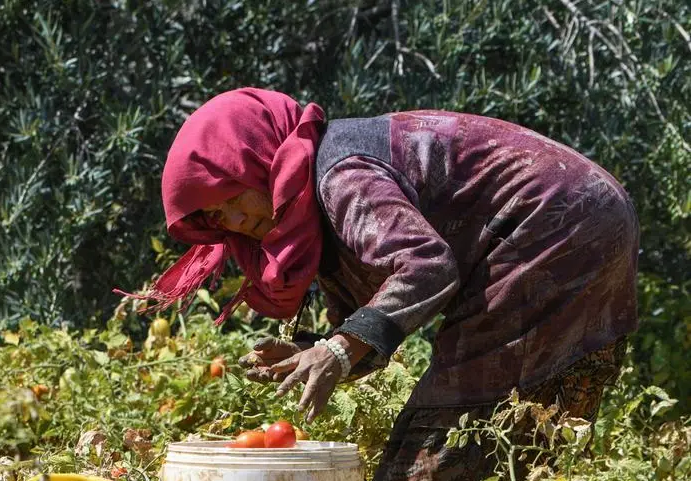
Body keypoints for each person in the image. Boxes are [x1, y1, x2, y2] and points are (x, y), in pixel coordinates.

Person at [119, 87, 639, 480]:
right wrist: (313, 349)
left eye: (234, 195)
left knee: (431, 456)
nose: (235, 221)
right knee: (524, 443)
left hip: (553, 223)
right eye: (216, 216)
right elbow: (373, 318)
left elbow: (426, 267)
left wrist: (338, 350)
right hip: (583, 217)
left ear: (261, 159)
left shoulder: (339, 176)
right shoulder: (313, 207)